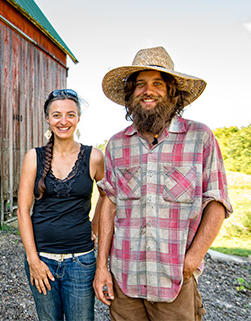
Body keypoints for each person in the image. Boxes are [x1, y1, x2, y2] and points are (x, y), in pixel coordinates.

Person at [93, 46, 233, 321]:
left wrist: (192, 260)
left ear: (172, 92)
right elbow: (108, 205)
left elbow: (217, 202)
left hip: (175, 281)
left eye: (158, 83)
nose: (149, 90)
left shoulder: (200, 138)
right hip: (125, 280)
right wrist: (102, 268)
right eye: (141, 84)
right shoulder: (117, 145)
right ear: (130, 94)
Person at [18, 89, 107, 321]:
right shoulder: (33, 157)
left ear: (78, 118)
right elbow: (22, 211)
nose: (63, 121)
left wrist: (95, 228)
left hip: (81, 261)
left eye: (70, 114)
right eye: (56, 115)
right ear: (48, 119)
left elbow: (107, 198)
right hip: (42, 259)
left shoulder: (94, 157)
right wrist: (33, 260)